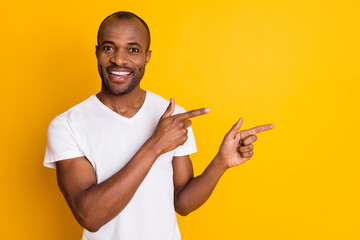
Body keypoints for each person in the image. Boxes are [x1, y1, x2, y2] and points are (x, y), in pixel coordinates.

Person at [44, 11, 274, 240]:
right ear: (97, 53)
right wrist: (156, 144)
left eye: (133, 50)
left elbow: (183, 203)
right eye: (108, 48)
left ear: (147, 56)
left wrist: (220, 163)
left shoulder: (173, 116)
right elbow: (90, 216)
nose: (119, 59)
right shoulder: (67, 125)